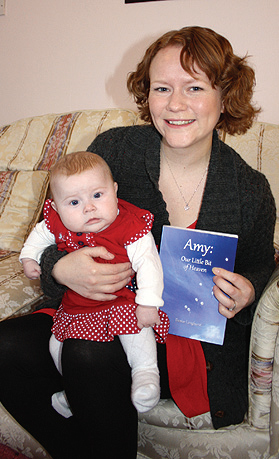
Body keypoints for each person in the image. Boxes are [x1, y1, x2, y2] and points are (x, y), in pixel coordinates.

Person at [0, 26, 276, 459]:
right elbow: (52, 228)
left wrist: (248, 290)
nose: (176, 103)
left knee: (88, 353)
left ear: (225, 97)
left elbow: (262, 266)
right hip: (91, 308)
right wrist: (58, 266)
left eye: (195, 87)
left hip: (177, 340)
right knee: (7, 345)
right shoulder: (114, 150)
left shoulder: (250, 189)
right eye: (162, 87)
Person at [19, 151, 169, 418]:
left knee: (137, 331)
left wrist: (148, 302)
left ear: (114, 190)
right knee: (57, 345)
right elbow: (39, 235)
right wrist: (29, 257)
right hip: (76, 307)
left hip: (122, 302)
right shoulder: (57, 223)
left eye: (98, 196)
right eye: (74, 202)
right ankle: (72, 388)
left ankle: (146, 374)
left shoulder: (130, 225)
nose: (89, 208)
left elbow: (149, 264)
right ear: (56, 206)